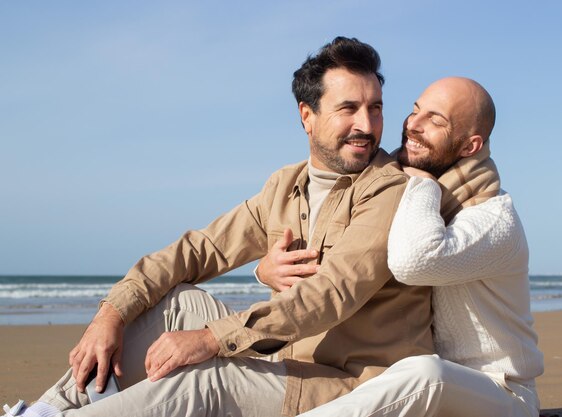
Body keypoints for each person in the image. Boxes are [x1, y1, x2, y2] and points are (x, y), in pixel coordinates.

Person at [2, 37, 437, 417]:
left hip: (352, 386)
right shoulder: (285, 186)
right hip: (285, 358)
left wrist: (211, 339)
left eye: (375, 108)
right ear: (307, 115)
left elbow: (330, 296)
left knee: (206, 378)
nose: (367, 124)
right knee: (178, 303)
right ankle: (46, 409)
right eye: (349, 108)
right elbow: (199, 249)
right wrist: (110, 313)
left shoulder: (389, 190)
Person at [260, 77, 544, 417]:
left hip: (499, 394)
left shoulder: (492, 218)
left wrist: (422, 183)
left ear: (470, 147)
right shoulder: (405, 192)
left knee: (427, 373)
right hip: (416, 394)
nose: (413, 125)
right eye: (415, 110)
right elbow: (346, 258)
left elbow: (413, 260)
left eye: (436, 121)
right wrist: (265, 272)